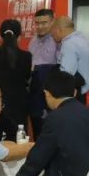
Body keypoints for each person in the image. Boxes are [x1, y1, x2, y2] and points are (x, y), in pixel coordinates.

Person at [0, 18, 32, 141]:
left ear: (1, 36)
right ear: (19, 37)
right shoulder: (27, 56)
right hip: (19, 104)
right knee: (19, 138)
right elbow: (27, 78)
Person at [28, 8, 60, 138]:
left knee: (51, 128)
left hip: (50, 90)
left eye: (44, 23)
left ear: (52, 21)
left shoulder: (57, 41)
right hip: (35, 89)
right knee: (37, 126)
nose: (40, 26)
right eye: (37, 23)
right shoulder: (33, 41)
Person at [52, 15, 89, 101]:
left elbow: (66, 74)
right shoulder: (85, 40)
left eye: (53, 34)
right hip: (83, 89)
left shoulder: (69, 44)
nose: (53, 37)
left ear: (59, 30)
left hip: (73, 91)